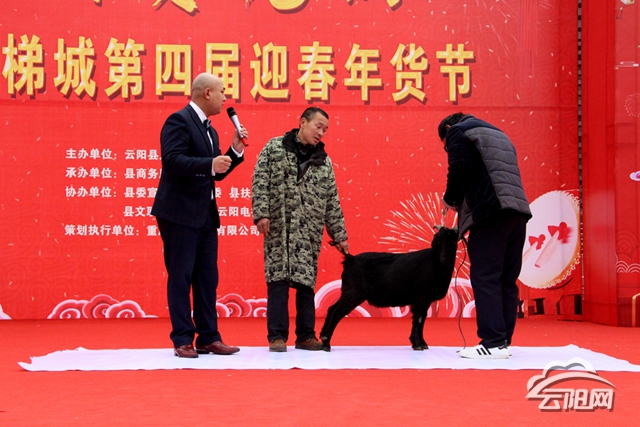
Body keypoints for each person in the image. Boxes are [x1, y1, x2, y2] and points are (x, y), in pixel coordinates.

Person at [151, 73, 248, 358]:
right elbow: (172, 161)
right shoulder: (179, 120)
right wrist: (209, 163)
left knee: (207, 277)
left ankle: (209, 337)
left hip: (204, 214)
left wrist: (234, 152)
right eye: (222, 92)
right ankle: (182, 339)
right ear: (207, 93)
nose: (225, 98)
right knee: (181, 276)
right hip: (179, 213)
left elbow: (215, 172)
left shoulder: (211, 130)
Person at [252, 107, 349, 353]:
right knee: (278, 280)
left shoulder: (323, 162)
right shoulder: (275, 148)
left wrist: (339, 236)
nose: (321, 133)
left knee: (306, 283)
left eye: (325, 129)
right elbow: (260, 180)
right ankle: (277, 336)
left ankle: (306, 335)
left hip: (308, 230)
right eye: (318, 126)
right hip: (279, 226)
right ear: (302, 122)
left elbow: (332, 202)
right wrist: (261, 213)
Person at [438, 112, 532, 360]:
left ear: (447, 129)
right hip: (519, 211)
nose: (448, 148)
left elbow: (459, 168)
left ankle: (492, 343)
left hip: (490, 213)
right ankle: (503, 341)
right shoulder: (500, 134)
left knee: (486, 276)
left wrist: (449, 199)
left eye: (445, 146)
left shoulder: (457, 131)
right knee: (506, 279)